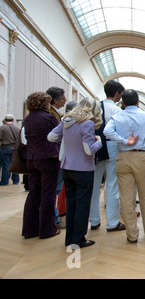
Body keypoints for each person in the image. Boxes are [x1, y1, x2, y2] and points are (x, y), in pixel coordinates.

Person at [104, 89, 145, 243]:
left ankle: (132, 234)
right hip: (143, 157)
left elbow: (106, 131)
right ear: (138, 102)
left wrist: (123, 140)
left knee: (126, 198)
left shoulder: (117, 116)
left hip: (123, 157)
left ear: (122, 103)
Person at [48, 97, 103, 248]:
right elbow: (88, 150)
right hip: (83, 169)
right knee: (83, 204)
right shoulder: (87, 123)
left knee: (71, 203)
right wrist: (98, 141)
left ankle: (70, 239)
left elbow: (51, 137)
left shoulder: (67, 120)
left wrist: (68, 141)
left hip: (67, 167)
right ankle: (79, 239)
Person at [22, 92, 60, 240]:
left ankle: (29, 229)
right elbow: (58, 134)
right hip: (48, 158)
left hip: (31, 159)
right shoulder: (48, 117)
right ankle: (47, 229)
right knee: (48, 194)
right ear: (45, 103)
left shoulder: (28, 118)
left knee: (33, 194)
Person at [90, 80, 126, 232]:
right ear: (116, 93)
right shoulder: (117, 110)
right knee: (112, 184)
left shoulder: (95, 107)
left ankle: (94, 220)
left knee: (94, 184)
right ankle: (112, 222)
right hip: (112, 146)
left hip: (96, 146)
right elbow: (120, 131)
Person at [46, 87, 67, 229]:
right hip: (53, 154)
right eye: (63, 98)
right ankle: (54, 218)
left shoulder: (54, 113)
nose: (65, 100)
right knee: (54, 188)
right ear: (55, 100)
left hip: (51, 154)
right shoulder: (51, 115)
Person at [0, 114, 21, 186]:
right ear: (13, 120)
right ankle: (15, 180)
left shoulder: (2, 128)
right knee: (14, 164)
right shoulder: (17, 128)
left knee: (6, 165)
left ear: (5, 120)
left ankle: (4, 181)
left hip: (5, 147)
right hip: (15, 148)